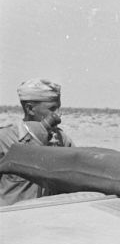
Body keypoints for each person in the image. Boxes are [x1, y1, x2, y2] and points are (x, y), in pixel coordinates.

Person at [0, 78, 74, 206]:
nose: (58, 114)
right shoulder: (5, 139)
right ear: (30, 109)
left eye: (59, 108)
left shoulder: (62, 139)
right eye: (52, 109)